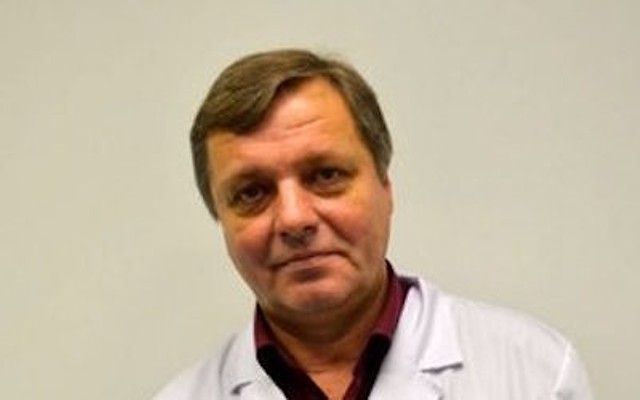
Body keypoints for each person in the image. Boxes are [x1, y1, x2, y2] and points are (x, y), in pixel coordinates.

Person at [153, 49, 593, 399]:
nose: (294, 218)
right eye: (252, 192)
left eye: (326, 175)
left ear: (386, 187)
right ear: (220, 217)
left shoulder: (536, 375)